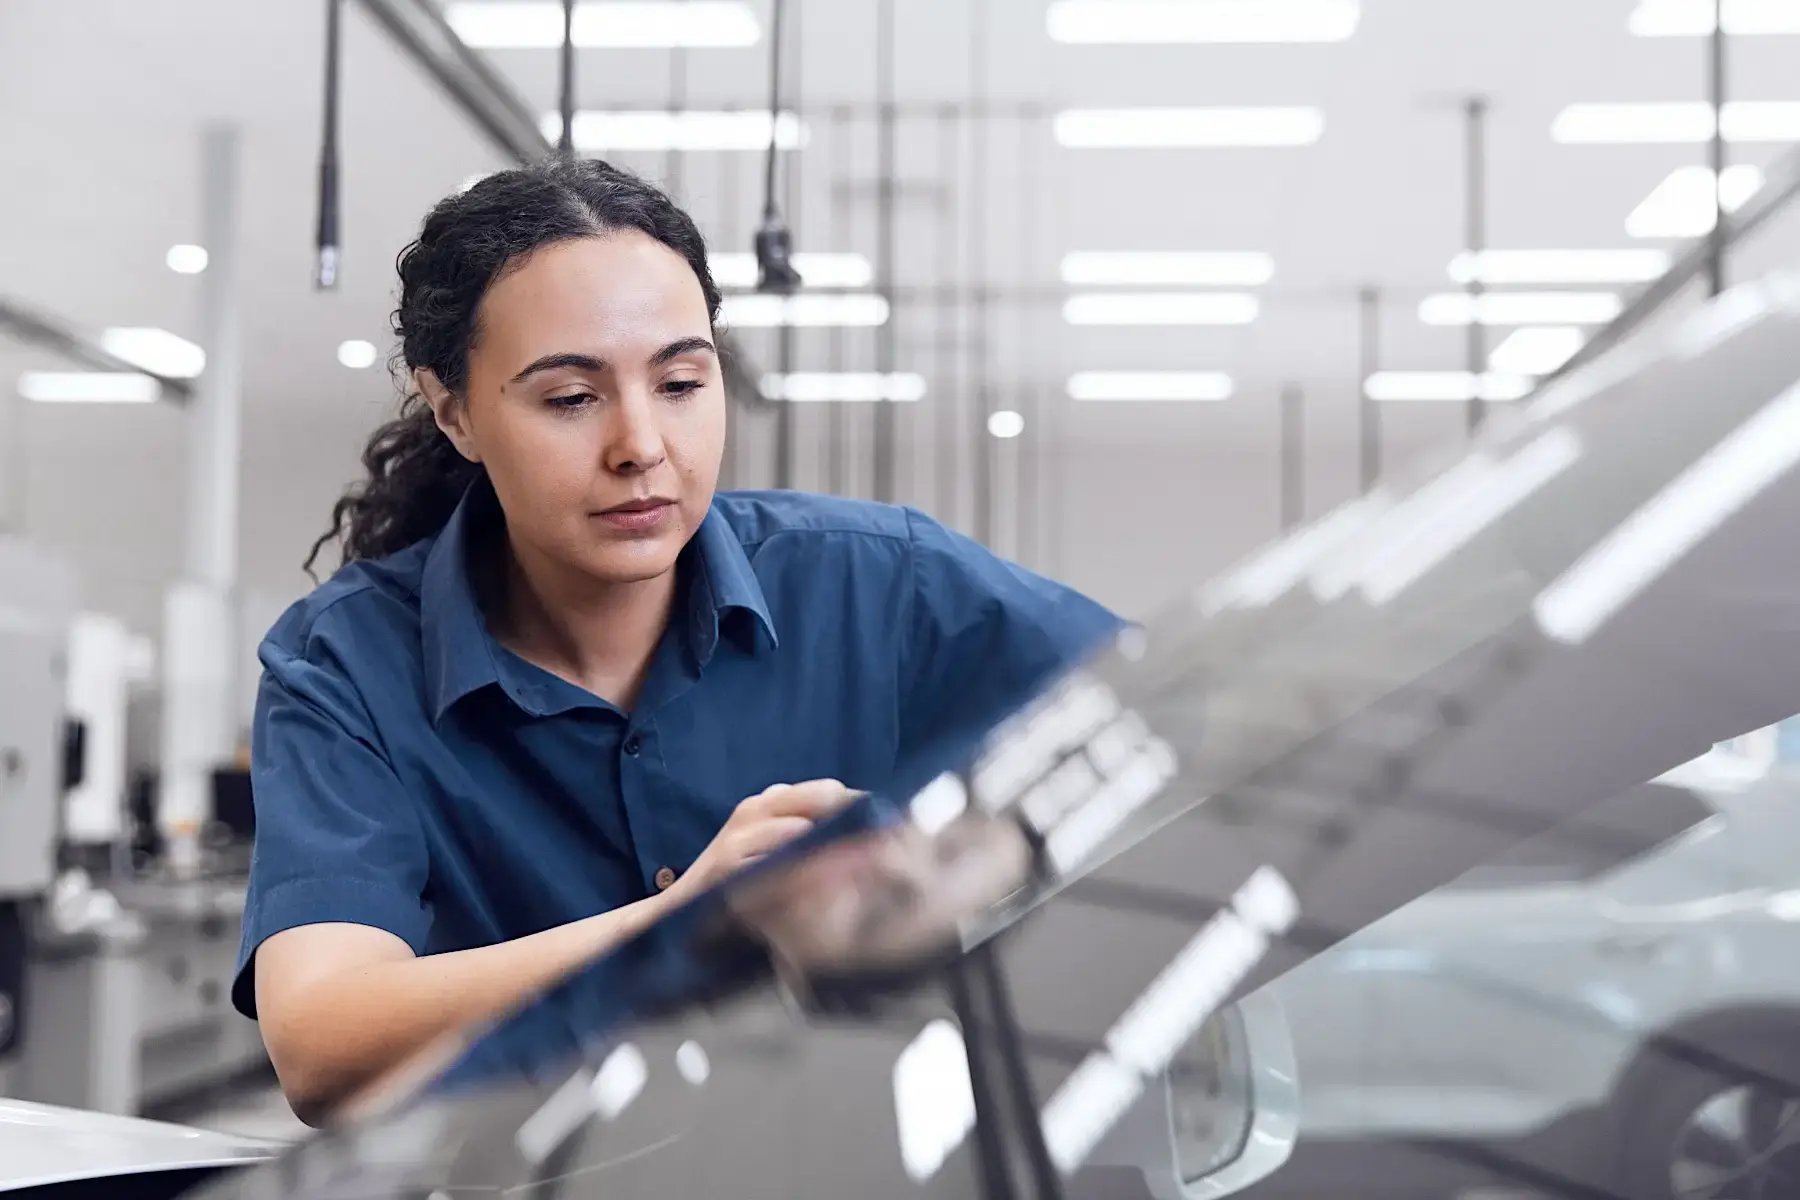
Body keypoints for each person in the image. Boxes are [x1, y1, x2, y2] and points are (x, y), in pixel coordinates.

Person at [236, 157, 1120, 1125]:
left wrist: (973, 856)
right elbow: (321, 1041)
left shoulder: (882, 585)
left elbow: (1182, 735)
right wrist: (689, 922)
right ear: (454, 411)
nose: (642, 444)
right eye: (572, 398)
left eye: (682, 381)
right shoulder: (348, 666)